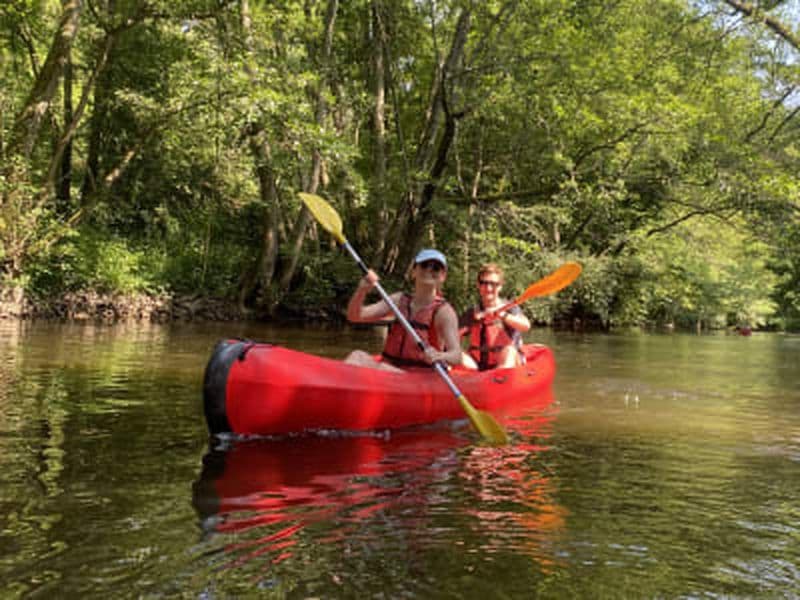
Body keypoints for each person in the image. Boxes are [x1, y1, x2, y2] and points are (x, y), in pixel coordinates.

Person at [344, 249, 462, 372]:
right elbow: (354, 316)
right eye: (424, 265)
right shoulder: (398, 300)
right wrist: (361, 291)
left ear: (443, 276)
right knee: (357, 355)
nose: (429, 270)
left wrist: (440, 355)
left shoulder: (444, 312)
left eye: (436, 268)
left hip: (420, 377)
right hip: (391, 369)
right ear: (414, 271)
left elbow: (456, 355)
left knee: (375, 366)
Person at [460, 263, 531, 370]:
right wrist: (474, 321)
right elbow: (452, 336)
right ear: (478, 285)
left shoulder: (510, 308)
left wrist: (502, 315)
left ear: (500, 286)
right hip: (477, 364)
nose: (488, 288)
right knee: (454, 354)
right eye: (484, 283)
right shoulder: (472, 312)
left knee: (509, 352)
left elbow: (526, 326)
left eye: (493, 284)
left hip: (505, 361)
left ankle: (500, 380)